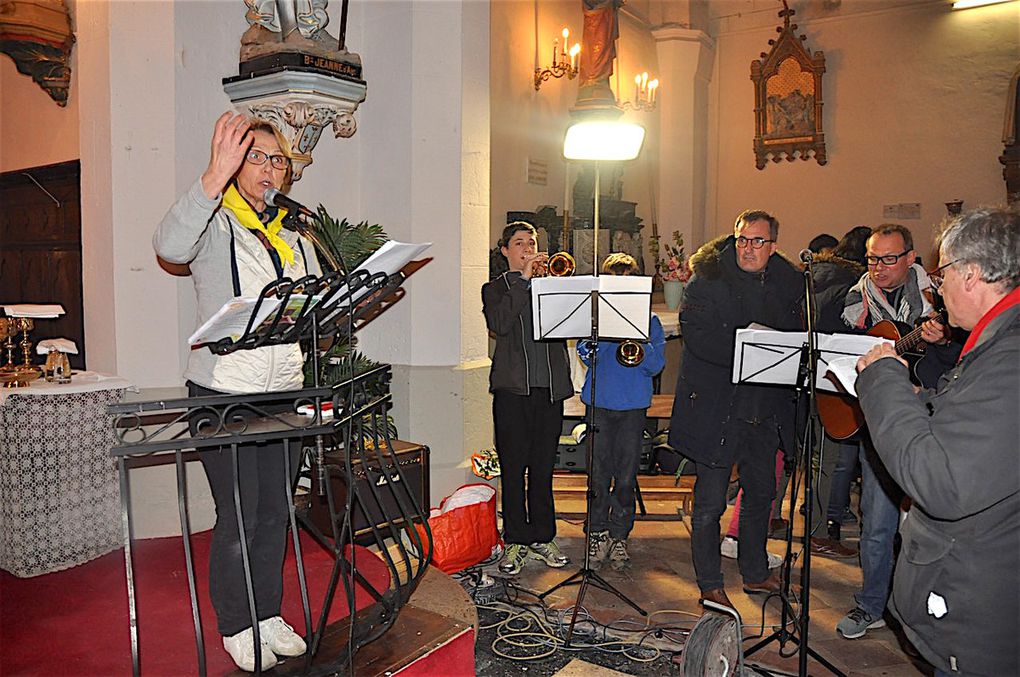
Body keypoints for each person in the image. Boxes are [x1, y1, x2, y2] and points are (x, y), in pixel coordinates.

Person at [153, 112, 319, 672]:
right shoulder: (213, 221)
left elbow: (310, 304)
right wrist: (212, 175)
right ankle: (236, 622)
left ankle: (267, 612)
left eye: (277, 159)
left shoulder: (293, 232)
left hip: (281, 391)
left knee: (275, 510)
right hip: (223, 392)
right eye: (257, 157)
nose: (270, 168)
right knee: (240, 512)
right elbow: (169, 245)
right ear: (235, 164)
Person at [855, 206, 1019, 676]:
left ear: (972, 274)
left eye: (942, 273)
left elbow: (942, 482)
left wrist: (884, 379)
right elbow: (973, 423)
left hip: (982, 614)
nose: (937, 287)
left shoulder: (1010, 355)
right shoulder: (999, 340)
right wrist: (919, 400)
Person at [667, 210, 803, 609]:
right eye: (743, 239)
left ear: (773, 246)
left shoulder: (787, 283)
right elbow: (697, 337)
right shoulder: (708, 277)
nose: (748, 247)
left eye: (758, 241)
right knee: (709, 503)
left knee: (761, 494)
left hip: (764, 406)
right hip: (716, 405)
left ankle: (756, 572)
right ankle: (709, 581)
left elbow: (795, 337)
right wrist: (750, 348)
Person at [835, 223, 947, 639]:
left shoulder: (939, 298)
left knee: (926, 528)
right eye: (871, 258)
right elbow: (843, 351)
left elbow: (962, 359)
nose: (877, 267)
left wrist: (943, 339)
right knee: (877, 523)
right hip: (882, 423)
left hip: (931, 420)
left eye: (887, 258)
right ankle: (871, 604)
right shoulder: (854, 298)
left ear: (911, 258)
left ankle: (921, 614)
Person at [482, 222, 573, 576]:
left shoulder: (554, 287)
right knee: (513, 467)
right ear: (505, 251)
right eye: (519, 243)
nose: (527, 248)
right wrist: (522, 280)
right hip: (511, 390)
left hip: (548, 389)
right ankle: (516, 540)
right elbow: (501, 324)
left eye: (531, 242)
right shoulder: (495, 289)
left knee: (542, 468)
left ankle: (543, 535)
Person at [577, 253, 666, 571]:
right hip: (600, 404)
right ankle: (597, 532)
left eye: (629, 280)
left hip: (632, 408)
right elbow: (585, 354)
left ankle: (619, 537)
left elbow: (656, 365)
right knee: (598, 477)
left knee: (626, 479)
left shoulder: (651, 321)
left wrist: (641, 348)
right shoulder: (595, 319)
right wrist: (605, 340)